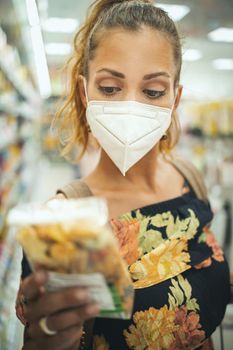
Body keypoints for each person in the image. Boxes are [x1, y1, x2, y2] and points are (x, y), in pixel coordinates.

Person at [16, 0, 231, 349]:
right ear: (86, 93)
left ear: (175, 100)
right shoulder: (65, 223)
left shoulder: (189, 178)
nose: (131, 106)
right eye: (111, 88)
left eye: (153, 92)